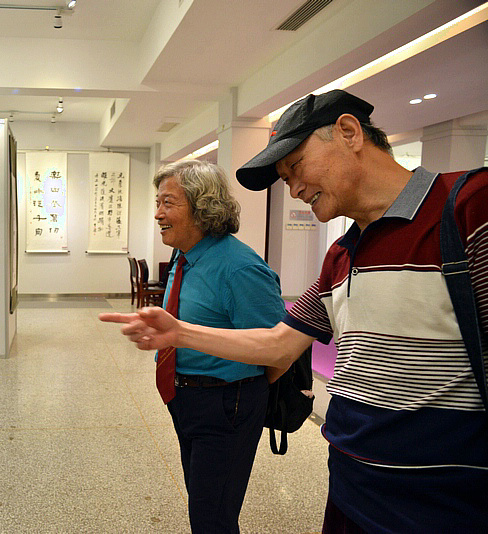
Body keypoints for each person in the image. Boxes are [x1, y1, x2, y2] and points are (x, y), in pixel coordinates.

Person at [100, 89, 488, 533]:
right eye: (285, 179)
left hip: (446, 503)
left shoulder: (469, 209)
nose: (295, 189)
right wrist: (178, 334)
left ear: (348, 132)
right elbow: (280, 343)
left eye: (296, 168)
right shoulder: (342, 256)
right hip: (351, 489)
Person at [144, 160, 285, 533]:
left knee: (213, 517)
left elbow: (279, 351)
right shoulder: (186, 256)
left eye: (168, 203)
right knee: (203, 503)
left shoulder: (238, 267)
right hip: (187, 397)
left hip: (226, 404)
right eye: (158, 203)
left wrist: (241, 394)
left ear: (202, 206)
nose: (158, 214)